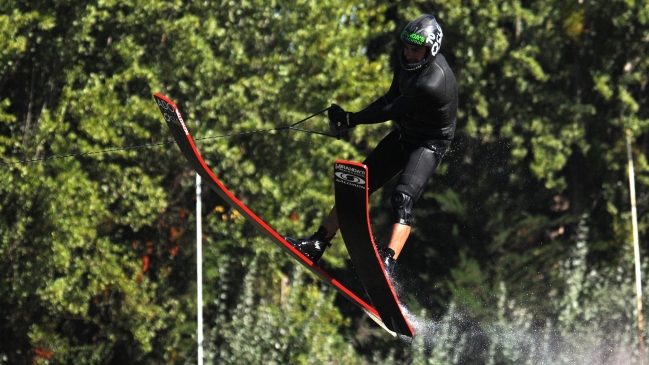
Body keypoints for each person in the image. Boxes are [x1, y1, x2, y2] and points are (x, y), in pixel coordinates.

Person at [285, 14, 458, 275]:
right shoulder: (405, 64)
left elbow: (390, 110)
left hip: (428, 144)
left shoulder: (433, 82)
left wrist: (350, 118)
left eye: (415, 50)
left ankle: (387, 262)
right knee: (356, 187)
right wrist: (349, 118)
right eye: (407, 48)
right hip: (405, 133)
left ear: (431, 50)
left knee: (402, 199)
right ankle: (317, 242)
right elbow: (388, 98)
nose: (409, 54)